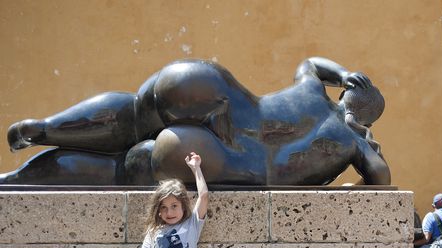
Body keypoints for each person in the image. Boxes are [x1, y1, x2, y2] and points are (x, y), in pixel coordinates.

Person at [2, 57, 390, 187]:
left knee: (135, 114)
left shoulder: (312, 91)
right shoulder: (350, 141)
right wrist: (365, 143)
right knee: (121, 168)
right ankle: (21, 180)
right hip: (222, 157)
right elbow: (379, 178)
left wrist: (341, 71)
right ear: (366, 116)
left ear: (343, 94)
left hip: (204, 85)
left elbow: (311, 63)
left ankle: (47, 128)